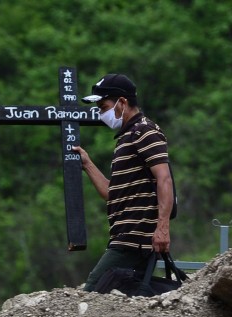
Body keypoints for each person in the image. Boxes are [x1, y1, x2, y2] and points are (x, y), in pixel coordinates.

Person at [73, 73, 174, 292]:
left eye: (104, 106)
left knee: (93, 290)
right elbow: (111, 193)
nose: (101, 113)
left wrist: (163, 228)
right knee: (123, 293)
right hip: (124, 237)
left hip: (134, 240)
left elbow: (164, 178)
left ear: (122, 102)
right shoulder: (126, 138)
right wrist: (88, 164)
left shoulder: (144, 131)